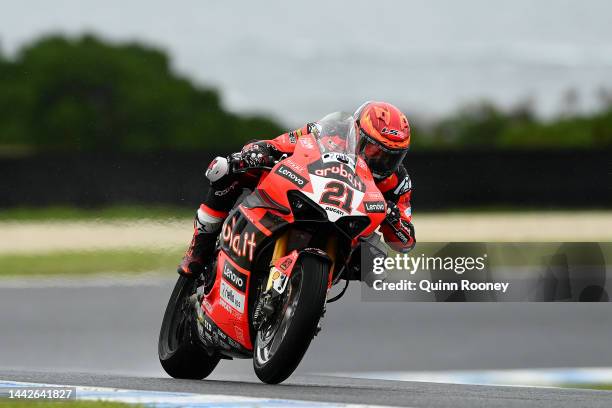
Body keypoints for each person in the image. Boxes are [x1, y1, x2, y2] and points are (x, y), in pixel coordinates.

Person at [178, 101, 416, 277]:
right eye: (375, 151)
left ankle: (304, 302)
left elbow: (406, 242)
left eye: (391, 157)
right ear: (356, 134)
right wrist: (258, 153)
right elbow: (281, 144)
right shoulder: (327, 133)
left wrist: (394, 220)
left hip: (346, 231)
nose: (382, 161)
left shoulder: (398, 181)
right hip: (304, 197)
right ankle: (200, 244)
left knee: (378, 264)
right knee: (226, 168)